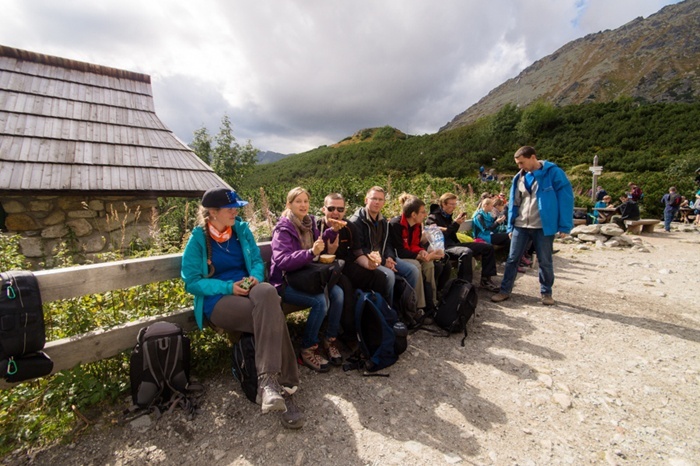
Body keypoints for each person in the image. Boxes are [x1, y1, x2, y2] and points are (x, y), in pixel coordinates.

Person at [181, 187, 304, 428]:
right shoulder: (198, 240)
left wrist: (256, 277)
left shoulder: (241, 230)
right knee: (272, 316)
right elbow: (192, 282)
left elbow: (257, 261)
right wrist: (228, 287)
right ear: (212, 212)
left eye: (236, 207)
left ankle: (268, 385)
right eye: (230, 208)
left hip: (252, 290)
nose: (236, 211)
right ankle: (286, 386)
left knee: (268, 291)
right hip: (220, 298)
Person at [270, 187, 344, 372]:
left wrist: (332, 231)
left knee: (338, 294)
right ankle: (307, 349)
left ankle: (329, 339)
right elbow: (282, 261)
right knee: (320, 301)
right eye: (298, 201)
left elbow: (319, 242)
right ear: (289, 204)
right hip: (287, 282)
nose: (303, 205)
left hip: (307, 277)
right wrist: (310, 253)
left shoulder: (309, 222)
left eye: (306, 201)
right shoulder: (283, 228)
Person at [491, 146, 574, 306]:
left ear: (533, 157)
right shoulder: (519, 177)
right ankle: (504, 290)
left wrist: (564, 226)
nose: (520, 166)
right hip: (521, 225)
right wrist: (510, 226)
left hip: (543, 226)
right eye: (518, 164)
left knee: (545, 260)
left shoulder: (554, 173)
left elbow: (566, 199)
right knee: (512, 258)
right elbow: (513, 203)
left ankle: (546, 293)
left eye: (522, 162)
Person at [316, 193, 388, 348]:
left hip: (346, 264)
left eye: (340, 209)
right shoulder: (317, 227)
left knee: (379, 277)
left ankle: (378, 320)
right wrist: (330, 250)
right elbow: (314, 257)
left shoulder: (349, 227)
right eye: (331, 208)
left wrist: (370, 264)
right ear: (323, 209)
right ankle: (349, 335)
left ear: (344, 210)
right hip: (325, 269)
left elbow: (357, 253)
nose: (336, 213)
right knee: (346, 287)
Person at [347, 186, 421, 306]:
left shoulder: (383, 221)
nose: (377, 202)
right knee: (389, 276)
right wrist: (383, 261)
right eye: (374, 198)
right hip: (367, 260)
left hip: (385, 258)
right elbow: (359, 249)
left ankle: (406, 307)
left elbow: (388, 243)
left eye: (380, 199)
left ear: (384, 202)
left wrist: (390, 257)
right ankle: (388, 309)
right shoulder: (356, 221)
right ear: (366, 200)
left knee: (412, 270)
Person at [389, 194, 450, 315]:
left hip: (410, 254)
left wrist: (422, 252)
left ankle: (432, 302)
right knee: (417, 265)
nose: (425, 215)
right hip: (397, 257)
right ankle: (419, 306)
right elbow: (399, 251)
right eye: (422, 212)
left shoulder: (416, 225)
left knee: (429, 264)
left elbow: (416, 244)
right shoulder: (396, 224)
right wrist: (421, 256)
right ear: (413, 214)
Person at [426, 192, 500, 292]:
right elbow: (439, 237)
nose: (454, 207)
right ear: (443, 204)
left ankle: (486, 280)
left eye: (455, 204)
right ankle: (463, 285)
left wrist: (455, 224)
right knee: (466, 252)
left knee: (487, 247)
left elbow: (450, 232)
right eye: (451, 204)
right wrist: (455, 224)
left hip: (454, 244)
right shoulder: (432, 218)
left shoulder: (447, 216)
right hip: (443, 248)